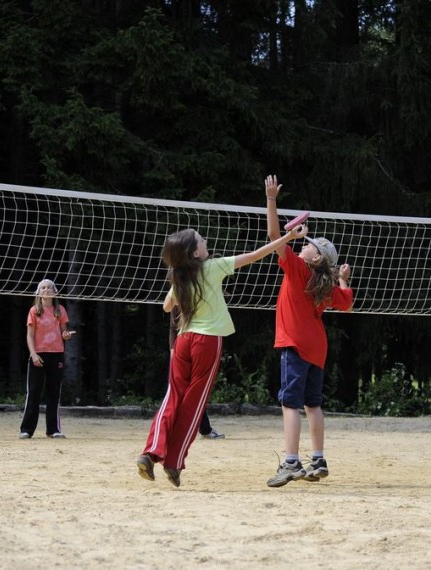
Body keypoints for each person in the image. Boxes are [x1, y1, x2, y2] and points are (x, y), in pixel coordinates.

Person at [136, 224, 308, 487]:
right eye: (200, 239)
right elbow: (256, 255)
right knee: (193, 403)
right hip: (207, 341)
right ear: (195, 253)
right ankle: (173, 461)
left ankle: (150, 452)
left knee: (173, 396)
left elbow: (167, 306)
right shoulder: (212, 267)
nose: (205, 240)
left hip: (183, 340)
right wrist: (288, 237)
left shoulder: (180, 275)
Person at [264, 175, 353, 488]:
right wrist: (343, 279)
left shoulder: (299, 269)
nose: (303, 245)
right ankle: (318, 459)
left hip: (296, 344)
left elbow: (274, 237)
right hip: (317, 347)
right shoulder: (326, 284)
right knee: (313, 404)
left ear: (315, 258)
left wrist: (271, 199)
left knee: (290, 403)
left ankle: (291, 462)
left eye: (308, 246)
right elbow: (347, 303)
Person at [19, 279, 75, 439]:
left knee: (54, 393)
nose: (46, 289)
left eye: (49, 287)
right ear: (39, 292)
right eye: (43, 287)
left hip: (56, 354)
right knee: (34, 392)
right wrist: (33, 354)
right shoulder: (34, 311)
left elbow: (64, 333)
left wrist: (66, 335)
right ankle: (26, 429)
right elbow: (29, 336)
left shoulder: (60, 310)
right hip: (38, 355)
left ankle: (53, 429)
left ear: (54, 292)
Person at [169, 307, 225, 440]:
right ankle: (200, 429)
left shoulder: (182, 297)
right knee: (190, 390)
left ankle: (203, 429)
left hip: (190, 345)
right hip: (191, 345)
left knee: (190, 390)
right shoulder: (183, 298)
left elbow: (172, 326)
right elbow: (173, 326)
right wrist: (172, 350)